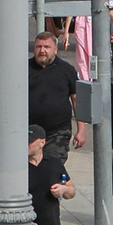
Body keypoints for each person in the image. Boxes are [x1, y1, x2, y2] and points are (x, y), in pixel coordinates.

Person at [30, 31, 85, 164]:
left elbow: (77, 101)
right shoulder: (24, 69)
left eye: (46, 47)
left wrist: (81, 130)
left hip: (58, 131)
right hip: (30, 132)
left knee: (52, 168)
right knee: (31, 170)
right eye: (39, 47)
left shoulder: (66, 70)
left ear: (55, 49)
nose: (42, 51)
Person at [29, 130, 75, 225]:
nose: (26, 145)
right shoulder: (19, 166)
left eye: (30, 141)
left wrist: (63, 189)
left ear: (42, 142)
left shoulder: (53, 162)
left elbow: (71, 191)